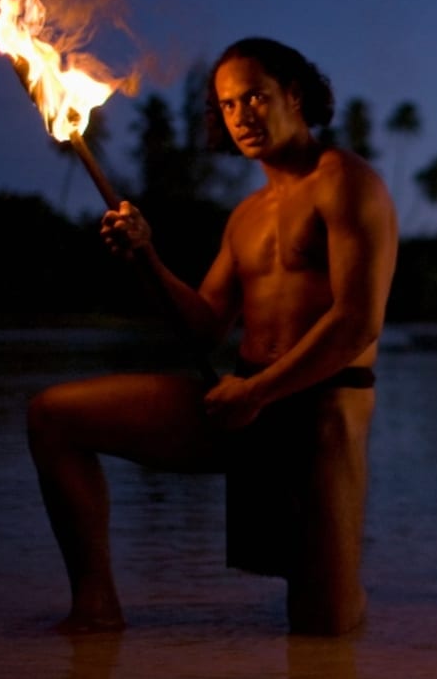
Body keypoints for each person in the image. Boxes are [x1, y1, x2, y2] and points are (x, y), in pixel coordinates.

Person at [28, 37, 398, 635]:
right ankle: (95, 609)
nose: (241, 115)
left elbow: (358, 321)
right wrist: (146, 255)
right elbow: (203, 325)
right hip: (241, 401)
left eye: (255, 97)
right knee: (54, 417)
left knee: (324, 634)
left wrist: (257, 393)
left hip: (322, 409)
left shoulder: (346, 182)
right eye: (227, 105)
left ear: (294, 95)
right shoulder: (246, 216)